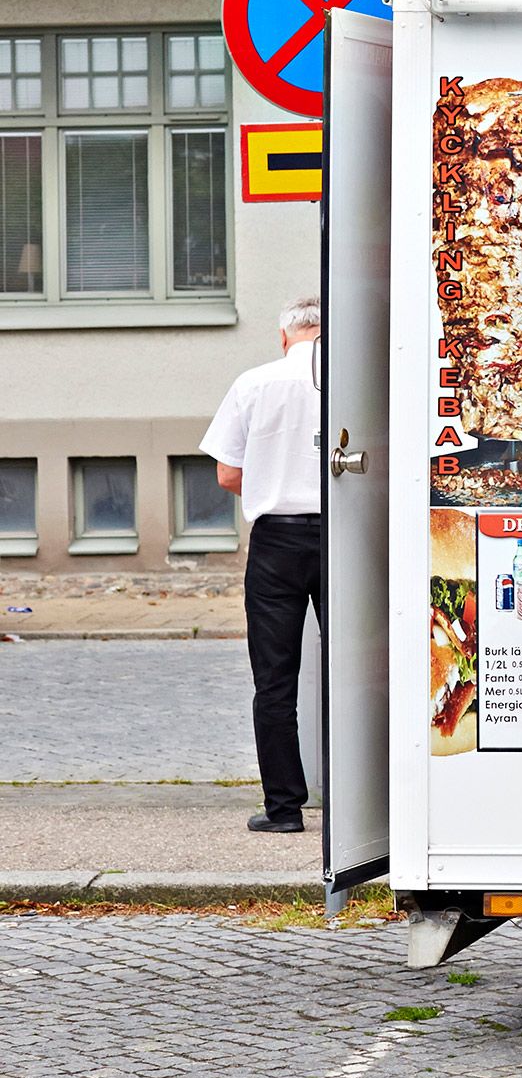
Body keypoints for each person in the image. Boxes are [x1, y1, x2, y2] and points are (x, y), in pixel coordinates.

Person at [200, 294, 325, 835]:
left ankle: (285, 809)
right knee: (361, 671)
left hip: (276, 542)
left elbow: (228, 475)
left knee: (274, 679)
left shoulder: (254, 382)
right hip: (343, 536)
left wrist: (274, 477)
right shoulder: (355, 381)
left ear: (283, 336)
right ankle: (369, 807)